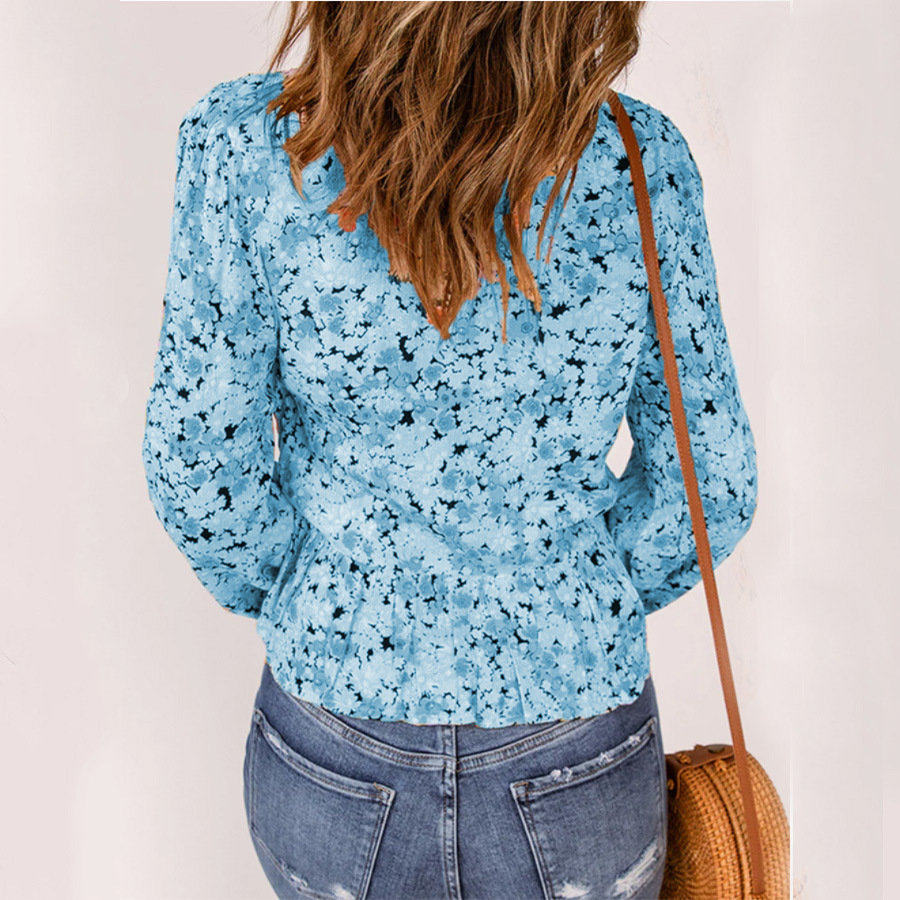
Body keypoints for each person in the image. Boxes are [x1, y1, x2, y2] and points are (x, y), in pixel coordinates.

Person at [140, 2, 758, 897]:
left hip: (333, 740)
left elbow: (199, 473)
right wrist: (570, 596)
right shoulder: (637, 157)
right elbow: (713, 483)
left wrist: (324, 593)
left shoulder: (246, 151)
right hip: (577, 741)